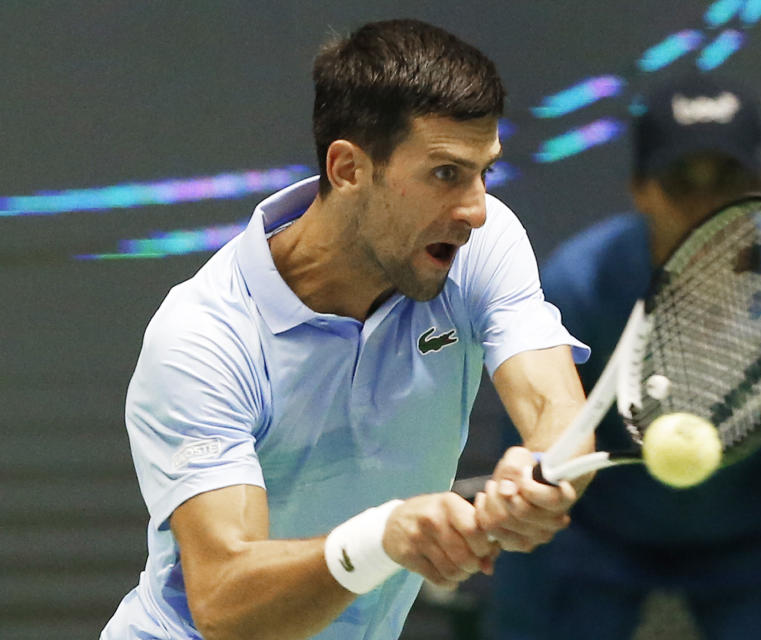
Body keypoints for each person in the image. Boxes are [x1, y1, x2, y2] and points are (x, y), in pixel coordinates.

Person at [101, 19, 593, 640]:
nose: (475, 208)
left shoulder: (479, 246)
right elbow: (226, 604)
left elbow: (557, 406)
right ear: (348, 169)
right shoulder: (204, 338)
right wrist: (378, 538)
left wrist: (544, 473)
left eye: (484, 172)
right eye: (446, 173)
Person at [490, 73, 761, 640]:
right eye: (680, 183)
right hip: (601, 536)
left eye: (728, 181)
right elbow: (529, 460)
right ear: (639, 189)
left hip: (750, 541)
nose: (706, 206)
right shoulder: (577, 287)